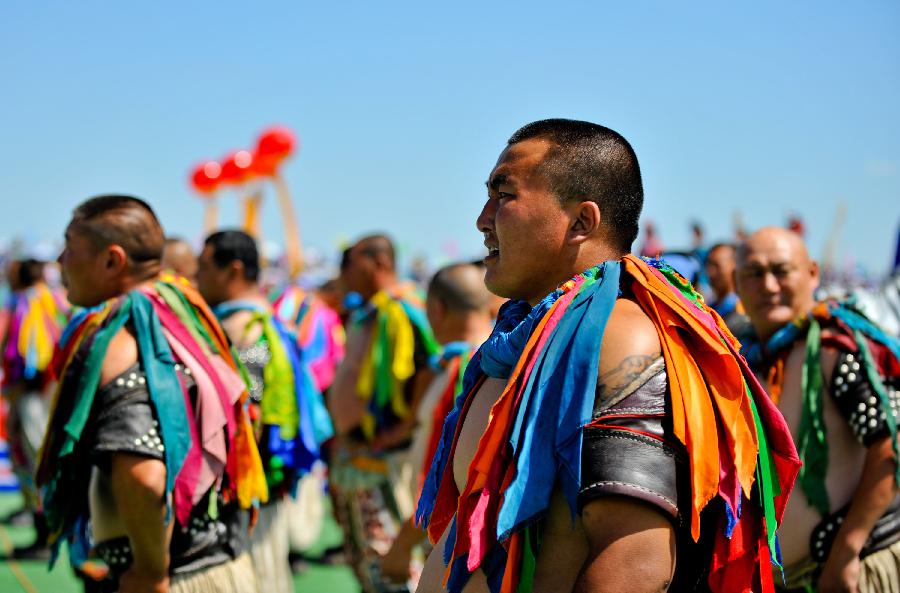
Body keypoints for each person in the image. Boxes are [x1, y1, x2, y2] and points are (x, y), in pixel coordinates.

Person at [415, 119, 799, 593]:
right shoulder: (533, 332)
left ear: (581, 221)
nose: (482, 217)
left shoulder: (620, 333)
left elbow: (634, 559)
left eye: (505, 194)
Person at [36, 195, 267, 593]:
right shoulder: (190, 318)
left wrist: (149, 569)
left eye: (70, 247)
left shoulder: (126, 341)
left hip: (175, 572)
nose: (60, 260)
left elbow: (144, 476)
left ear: (112, 260)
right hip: (217, 557)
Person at [736, 226, 900, 593]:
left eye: (781, 270)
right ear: (736, 282)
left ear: (812, 274)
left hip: (855, 572)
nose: (769, 285)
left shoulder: (835, 350)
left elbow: (892, 445)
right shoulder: (743, 361)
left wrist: (847, 548)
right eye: (754, 273)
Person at [197, 229, 334, 593]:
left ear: (234, 270)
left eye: (204, 266)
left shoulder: (246, 331)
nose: (198, 276)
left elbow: (248, 419)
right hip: (257, 490)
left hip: (244, 493)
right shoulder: (269, 324)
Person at [328, 233, 439, 593]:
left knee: (393, 561)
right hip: (361, 455)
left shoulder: (403, 308)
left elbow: (428, 367)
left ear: (379, 262)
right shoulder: (370, 310)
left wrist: (403, 428)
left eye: (353, 261)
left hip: (387, 459)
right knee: (369, 562)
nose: (344, 270)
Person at [380, 262, 495, 586]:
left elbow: (445, 472)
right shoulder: (487, 359)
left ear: (437, 309)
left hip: (453, 541)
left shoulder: (467, 370)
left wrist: (404, 543)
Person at [0, 258, 67, 558]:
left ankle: (45, 537)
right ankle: (42, 530)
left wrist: (21, 389)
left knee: (37, 459)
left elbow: (34, 356)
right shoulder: (47, 299)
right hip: (35, 391)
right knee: (33, 459)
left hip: (34, 393)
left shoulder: (34, 302)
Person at [704, 242, 752, 340]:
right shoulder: (707, 309)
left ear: (734, 267)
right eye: (708, 266)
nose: (710, 272)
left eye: (716, 266)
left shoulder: (745, 310)